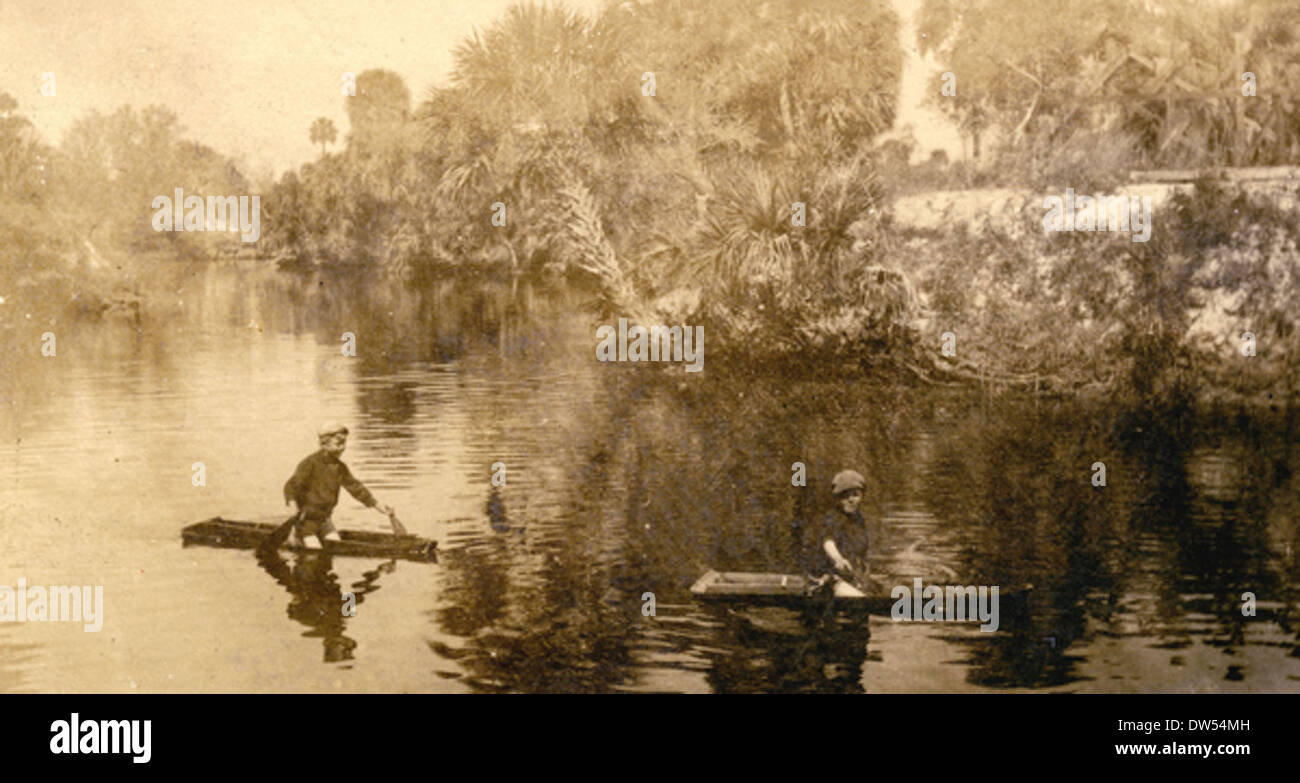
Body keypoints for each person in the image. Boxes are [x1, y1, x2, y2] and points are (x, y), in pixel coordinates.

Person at [283, 423, 394, 549]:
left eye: (344, 443)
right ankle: (299, 538)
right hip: (305, 521)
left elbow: (355, 487)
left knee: (335, 546)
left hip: (324, 519)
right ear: (324, 444)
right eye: (339, 443)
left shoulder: (340, 468)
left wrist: (378, 505)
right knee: (315, 552)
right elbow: (290, 487)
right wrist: (293, 512)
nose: (343, 448)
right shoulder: (310, 464)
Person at [798, 469, 870, 589]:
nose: (851, 500)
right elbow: (828, 542)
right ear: (837, 499)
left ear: (862, 496)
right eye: (845, 496)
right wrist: (838, 560)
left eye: (855, 495)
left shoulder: (858, 520)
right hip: (827, 579)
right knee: (860, 599)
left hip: (850, 577)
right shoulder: (833, 518)